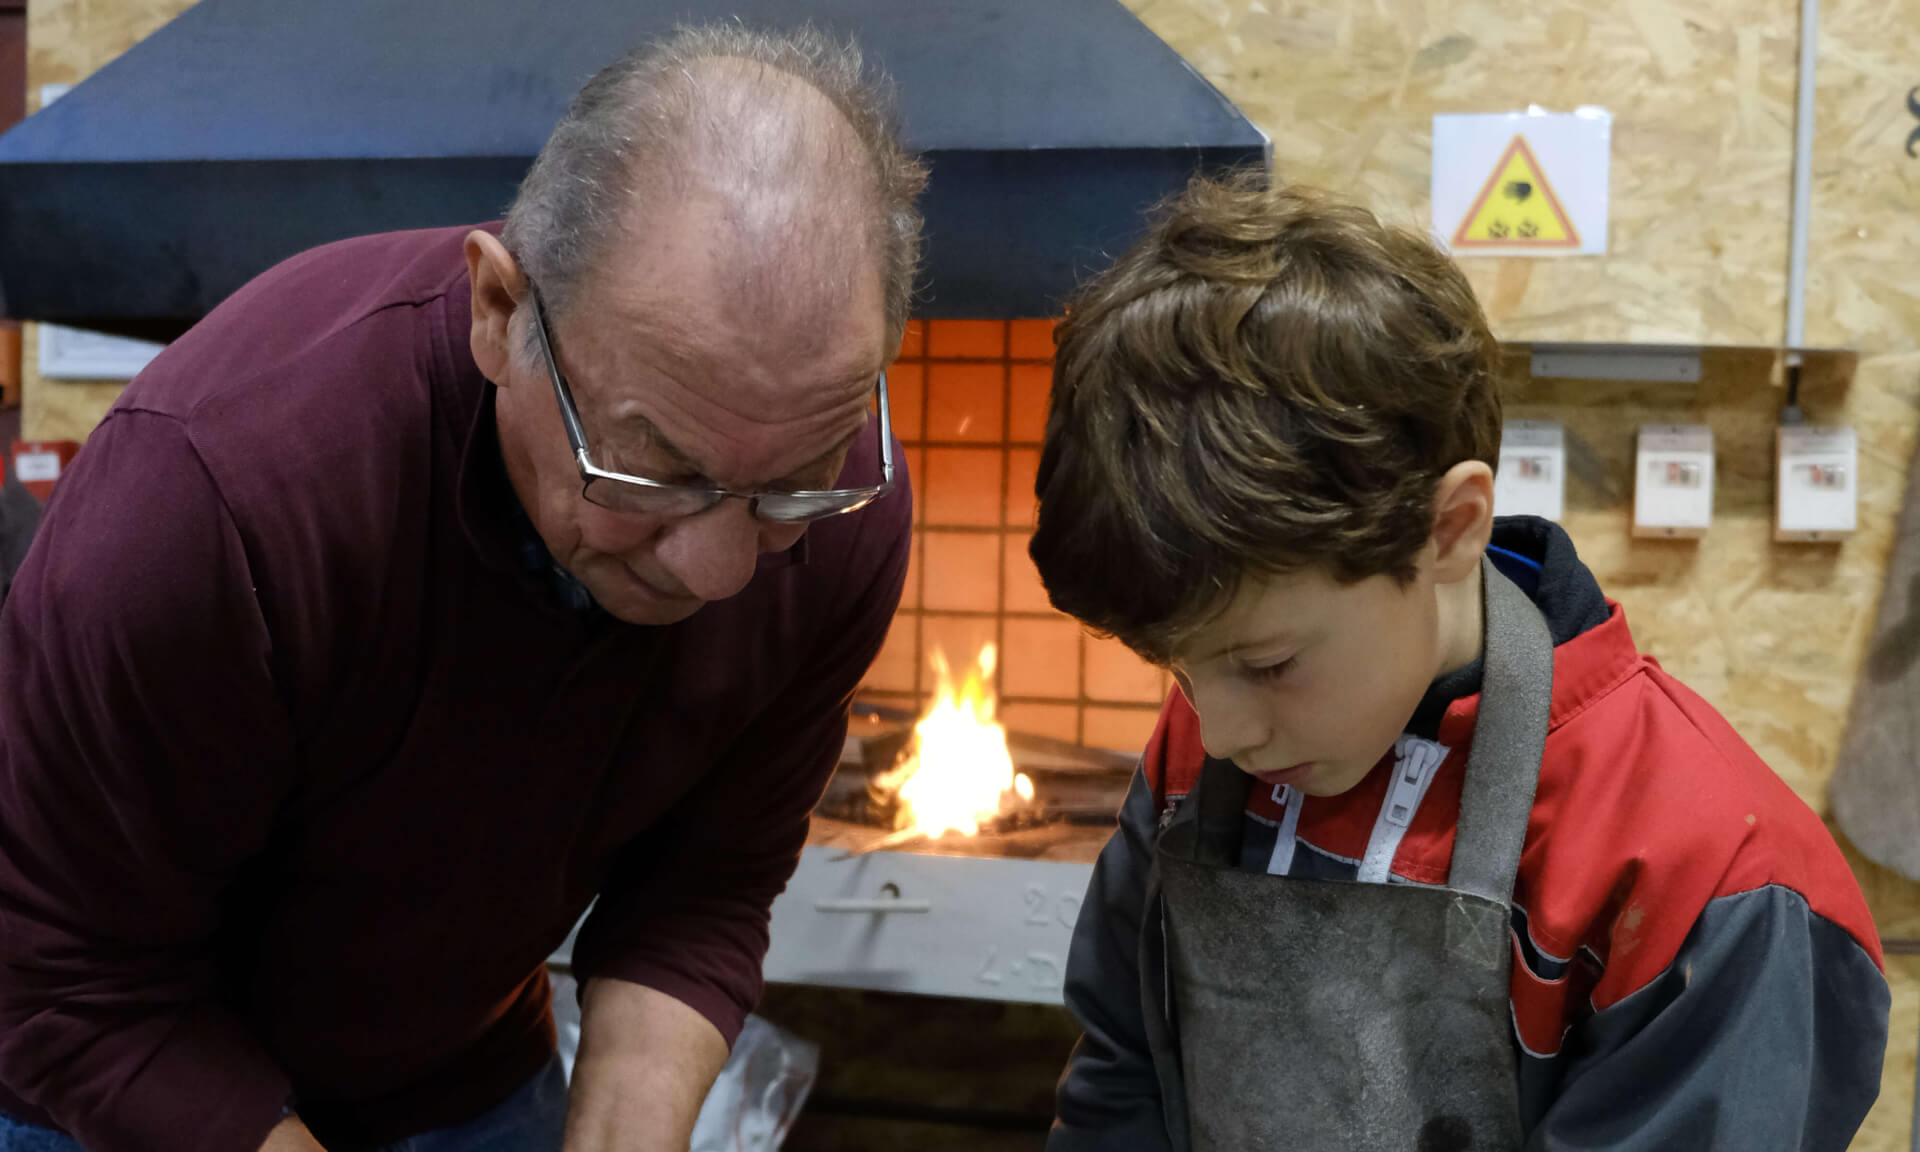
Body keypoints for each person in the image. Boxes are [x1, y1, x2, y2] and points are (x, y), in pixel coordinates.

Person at [0, 24, 923, 1152]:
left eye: (788, 484)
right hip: (106, 1085)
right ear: (499, 312)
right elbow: (64, 980)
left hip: (457, 1073)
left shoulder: (840, 507)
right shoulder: (215, 503)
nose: (721, 569)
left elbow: (702, 890)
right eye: (652, 471)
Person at [1029, 175, 1890, 1151]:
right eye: (1179, 673)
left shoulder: (1715, 877)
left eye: (1268, 665)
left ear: (1450, 528)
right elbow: (1123, 1075)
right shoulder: (1216, 735)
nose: (1219, 730)